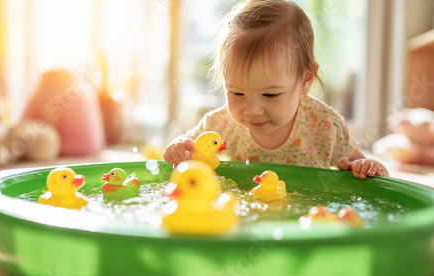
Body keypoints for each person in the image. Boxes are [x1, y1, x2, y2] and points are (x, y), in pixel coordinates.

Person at [163, 0, 389, 179]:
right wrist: (178, 149)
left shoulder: (325, 126)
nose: (252, 110)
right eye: (236, 93)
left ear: (305, 81)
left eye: (270, 95)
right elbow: (186, 148)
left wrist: (368, 168)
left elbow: (371, 175)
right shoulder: (220, 124)